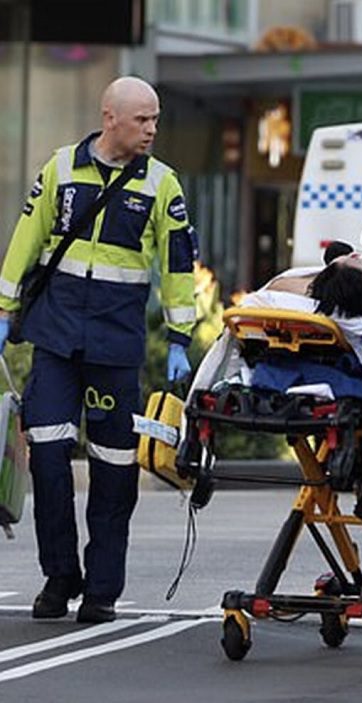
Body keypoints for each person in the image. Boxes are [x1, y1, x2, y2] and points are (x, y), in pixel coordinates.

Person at [0, 76, 198, 624]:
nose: (152, 130)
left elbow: (178, 265)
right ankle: (59, 576)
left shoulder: (162, 185)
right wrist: (2, 307)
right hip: (58, 339)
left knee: (114, 472)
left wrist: (181, 337)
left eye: (156, 120)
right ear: (110, 117)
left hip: (115, 345)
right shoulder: (61, 169)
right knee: (48, 460)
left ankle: (102, 591)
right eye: (143, 120)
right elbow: (26, 237)